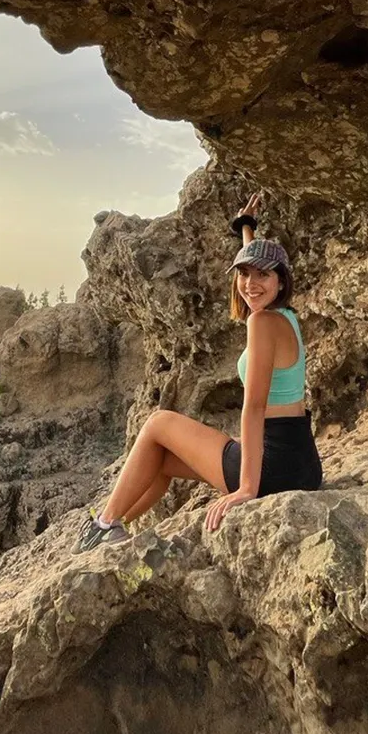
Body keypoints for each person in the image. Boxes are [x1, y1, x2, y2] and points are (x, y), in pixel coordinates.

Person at [74, 193, 322, 552]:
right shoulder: (285, 317)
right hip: (302, 463)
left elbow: (253, 408)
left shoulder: (262, 322)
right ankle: (113, 530)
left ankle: (102, 524)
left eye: (262, 276)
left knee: (158, 423)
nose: (250, 284)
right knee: (160, 459)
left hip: (274, 469)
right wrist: (246, 228)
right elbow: (257, 273)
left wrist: (247, 489)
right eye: (243, 274)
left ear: (281, 281)